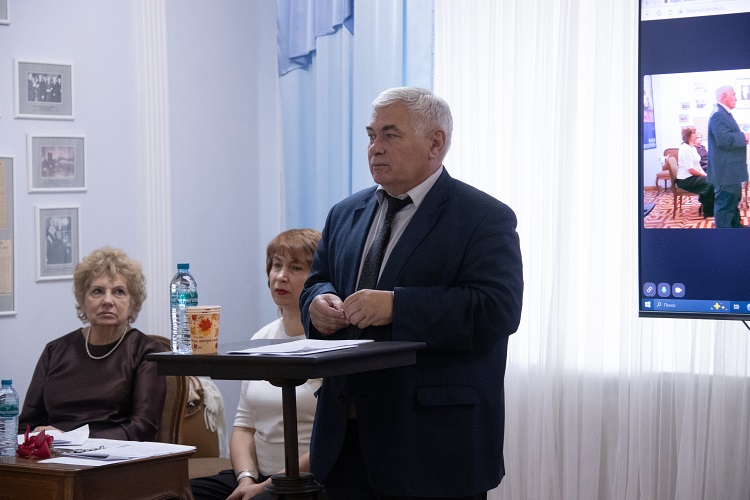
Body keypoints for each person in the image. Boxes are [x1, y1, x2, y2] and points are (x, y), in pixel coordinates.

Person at [300, 87, 524, 499]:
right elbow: (319, 280)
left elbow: (497, 309)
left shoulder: (483, 217)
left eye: (391, 135)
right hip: (343, 441)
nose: (375, 148)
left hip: (432, 446)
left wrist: (397, 306)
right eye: (371, 135)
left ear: (435, 143)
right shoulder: (345, 213)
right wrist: (316, 304)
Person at [191, 229, 323, 500]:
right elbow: (243, 426)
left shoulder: (329, 344)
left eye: (296, 268)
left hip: (307, 480)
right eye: (276, 265)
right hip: (255, 476)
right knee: (179, 493)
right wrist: (246, 479)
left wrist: (266, 487)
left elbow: (332, 440)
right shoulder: (261, 338)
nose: (281, 276)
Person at [19, 246, 166, 440]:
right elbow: (26, 425)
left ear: (133, 303)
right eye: (97, 291)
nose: (107, 301)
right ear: (83, 300)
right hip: (54, 454)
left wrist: (72, 440)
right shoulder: (55, 351)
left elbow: (143, 428)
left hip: (115, 455)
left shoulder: (147, 352)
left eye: (119, 292)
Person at [706, 85, 750, 228]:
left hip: (729, 171)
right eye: (734, 95)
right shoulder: (718, 114)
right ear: (724, 96)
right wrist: (744, 137)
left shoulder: (722, 113)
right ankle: (725, 235)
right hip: (726, 172)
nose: (736, 98)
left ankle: (735, 228)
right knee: (725, 205)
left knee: (732, 201)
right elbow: (724, 139)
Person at [676, 126, 714, 217]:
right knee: (711, 183)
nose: (696, 135)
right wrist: (704, 176)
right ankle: (708, 211)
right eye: (694, 133)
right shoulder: (685, 148)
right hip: (685, 180)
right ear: (688, 135)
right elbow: (691, 170)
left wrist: (705, 174)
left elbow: (697, 165)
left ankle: (705, 207)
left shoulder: (692, 147)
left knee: (711, 180)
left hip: (692, 176)